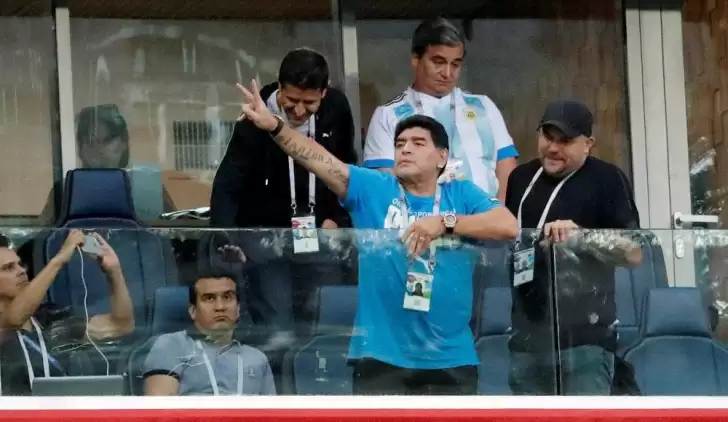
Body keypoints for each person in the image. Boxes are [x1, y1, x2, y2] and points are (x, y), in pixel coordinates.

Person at [235, 79, 518, 395]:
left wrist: (444, 223)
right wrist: (275, 126)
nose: (405, 148)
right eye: (399, 144)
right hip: (381, 358)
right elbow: (317, 158)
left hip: (451, 358)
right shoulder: (373, 189)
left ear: (442, 157)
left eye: (418, 143)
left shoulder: (461, 193)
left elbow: (508, 225)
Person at [210, 48, 358, 350]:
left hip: (320, 232)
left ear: (324, 93)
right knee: (278, 332)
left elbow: (346, 167)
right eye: (291, 101)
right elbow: (228, 184)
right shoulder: (256, 114)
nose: (299, 111)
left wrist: (338, 217)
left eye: (309, 103)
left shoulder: (337, 108)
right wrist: (228, 239)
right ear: (279, 87)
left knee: (325, 326)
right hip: (267, 237)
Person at [504, 100, 643, 395]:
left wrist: (582, 237)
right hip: (527, 336)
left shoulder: (607, 179)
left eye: (565, 141)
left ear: (588, 144)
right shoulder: (521, 178)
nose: (553, 148)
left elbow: (633, 252)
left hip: (585, 339)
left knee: (584, 414)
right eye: (547, 137)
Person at [362, 17, 518, 202]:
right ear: (415, 59)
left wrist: (499, 214)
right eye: (438, 62)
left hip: (488, 218)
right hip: (423, 220)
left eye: (455, 64)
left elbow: (507, 166)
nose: (447, 73)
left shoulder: (484, 106)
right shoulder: (388, 115)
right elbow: (384, 186)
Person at [0, 230, 134, 395]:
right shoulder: (7, 323)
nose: (22, 271)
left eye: (20, 264)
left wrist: (114, 272)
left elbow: (120, 325)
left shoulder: (48, 319)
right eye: (8, 268)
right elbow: (14, 319)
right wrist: (60, 258)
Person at [143, 269, 275, 396]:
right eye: (209, 298)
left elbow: (273, 410)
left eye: (227, 297)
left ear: (238, 309)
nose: (220, 307)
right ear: (193, 311)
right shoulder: (171, 346)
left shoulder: (257, 359)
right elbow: (161, 409)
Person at [40, 104, 174, 221]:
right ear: (80, 148)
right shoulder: (66, 190)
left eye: (105, 140)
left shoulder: (147, 188)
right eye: (89, 141)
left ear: (123, 143)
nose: (97, 148)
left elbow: (172, 232)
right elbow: (44, 236)